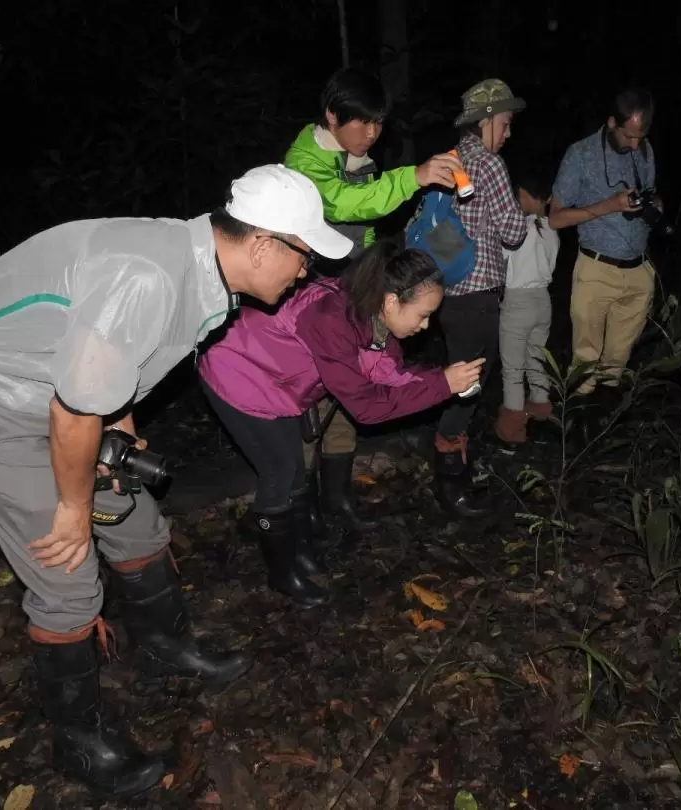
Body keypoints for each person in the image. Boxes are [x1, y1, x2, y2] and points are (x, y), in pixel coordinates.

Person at [0, 165, 353, 798]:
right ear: (262, 243)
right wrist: (72, 506)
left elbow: (114, 363)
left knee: (135, 519)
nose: (305, 273)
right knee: (67, 571)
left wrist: (120, 427)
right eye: (303, 256)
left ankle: (166, 650)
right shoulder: (149, 277)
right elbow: (73, 412)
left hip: (63, 396)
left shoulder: (203, 268)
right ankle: (77, 743)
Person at [197, 242, 484, 607]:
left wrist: (441, 379)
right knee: (280, 471)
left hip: (280, 384)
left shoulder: (369, 316)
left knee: (295, 473)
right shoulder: (333, 318)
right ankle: (283, 573)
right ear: (393, 301)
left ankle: (300, 549)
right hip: (238, 374)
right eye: (423, 315)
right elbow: (365, 407)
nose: (426, 326)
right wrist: (443, 385)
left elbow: (387, 372)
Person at [284, 67, 464, 532]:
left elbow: (365, 226)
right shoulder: (305, 162)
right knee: (308, 400)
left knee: (352, 387)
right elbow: (342, 205)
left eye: (378, 123)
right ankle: (299, 509)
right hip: (305, 301)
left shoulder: (356, 157)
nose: (371, 133)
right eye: (361, 122)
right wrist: (415, 176)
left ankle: (337, 498)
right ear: (331, 116)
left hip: (350, 290)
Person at [434, 79, 528, 516]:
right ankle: (450, 480)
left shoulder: (448, 160)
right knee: (466, 390)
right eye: (505, 123)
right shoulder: (488, 164)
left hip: (447, 294)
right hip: (478, 295)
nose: (508, 133)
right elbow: (513, 231)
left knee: (462, 383)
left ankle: (458, 465)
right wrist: (523, 212)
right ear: (487, 120)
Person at [549, 87, 661, 395]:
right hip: (596, 269)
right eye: (629, 136)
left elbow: (650, 193)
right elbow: (555, 218)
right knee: (585, 367)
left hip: (639, 271)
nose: (635, 144)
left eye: (642, 136)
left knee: (618, 367)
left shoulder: (645, 150)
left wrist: (654, 205)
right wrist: (609, 206)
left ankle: (609, 426)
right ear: (612, 123)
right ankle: (574, 432)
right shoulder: (581, 155)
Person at [495, 167, 561, 445]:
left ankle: (512, 430)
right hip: (543, 300)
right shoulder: (553, 230)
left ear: (526, 196)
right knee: (535, 360)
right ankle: (542, 416)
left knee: (512, 369)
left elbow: (501, 262)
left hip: (517, 299)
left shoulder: (516, 229)